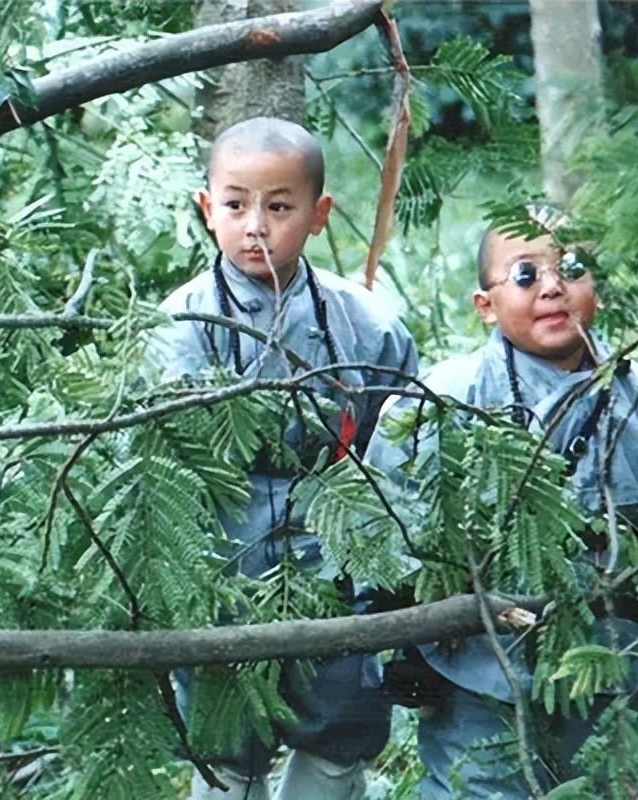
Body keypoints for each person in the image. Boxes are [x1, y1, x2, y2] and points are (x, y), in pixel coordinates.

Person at [364, 206, 638, 799]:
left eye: (572, 268)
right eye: (526, 275)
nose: (553, 287)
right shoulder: (444, 400)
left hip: (611, 664)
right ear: (485, 305)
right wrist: (402, 636)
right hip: (479, 672)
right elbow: (381, 526)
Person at [146, 117, 419, 800]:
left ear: (319, 214)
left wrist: (385, 562)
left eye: (280, 206)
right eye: (235, 205)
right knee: (223, 741)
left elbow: (401, 446)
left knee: (339, 723)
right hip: (218, 559)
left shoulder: (368, 323)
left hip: (335, 553)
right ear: (207, 210)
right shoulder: (178, 325)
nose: (256, 227)